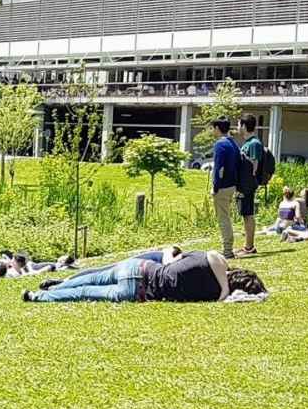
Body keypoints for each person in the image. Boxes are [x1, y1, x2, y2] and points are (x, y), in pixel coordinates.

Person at [24, 249, 263, 303]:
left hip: (142, 268)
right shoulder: (214, 294)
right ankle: (38, 296)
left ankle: (58, 285)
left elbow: (213, 256)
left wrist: (224, 288)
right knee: (88, 291)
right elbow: (220, 275)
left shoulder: (215, 260)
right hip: (139, 291)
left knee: (92, 279)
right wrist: (224, 292)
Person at [209, 118, 240, 257]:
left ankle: (227, 250)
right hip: (232, 184)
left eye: (213, 128)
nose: (212, 131)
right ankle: (228, 248)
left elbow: (219, 168)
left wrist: (215, 186)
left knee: (223, 218)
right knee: (226, 217)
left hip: (222, 187)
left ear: (217, 128)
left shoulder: (220, 144)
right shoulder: (233, 143)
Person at [237, 114, 264, 255]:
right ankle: (247, 245)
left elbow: (254, 165)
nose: (237, 127)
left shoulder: (254, 144)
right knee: (245, 214)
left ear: (243, 126)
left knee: (248, 214)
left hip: (248, 184)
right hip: (244, 183)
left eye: (238, 124)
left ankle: (249, 247)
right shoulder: (249, 143)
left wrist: (247, 182)